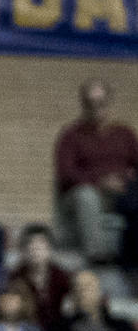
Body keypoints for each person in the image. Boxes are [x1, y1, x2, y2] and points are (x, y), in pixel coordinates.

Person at [55, 79, 138, 264]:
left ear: (108, 102)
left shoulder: (125, 134)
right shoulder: (71, 136)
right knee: (87, 195)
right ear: (83, 104)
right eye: (89, 103)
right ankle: (98, 257)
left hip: (122, 193)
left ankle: (130, 260)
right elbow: (66, 173)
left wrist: (127, 180)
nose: (95, 108)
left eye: (100, 102)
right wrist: (99, 181)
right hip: (84, 194)